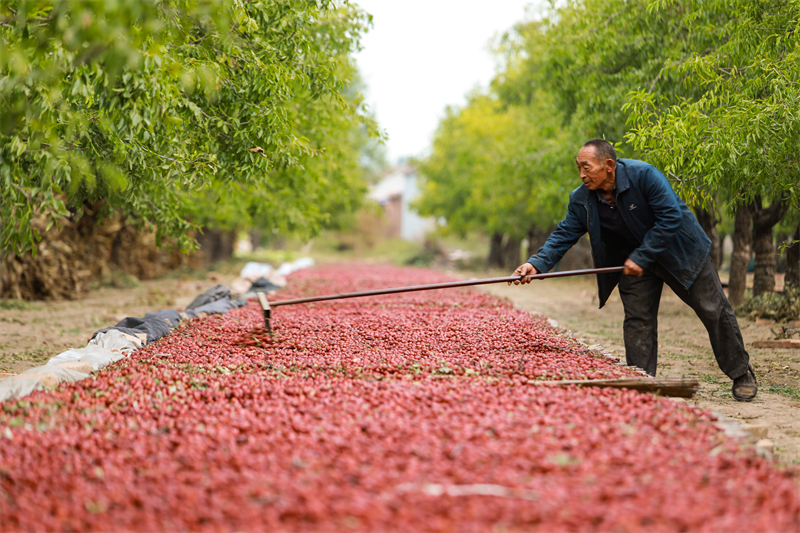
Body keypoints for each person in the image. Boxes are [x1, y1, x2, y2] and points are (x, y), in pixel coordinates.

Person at [511, 139, 758, 401]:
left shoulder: (644, 175)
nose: (582, 174)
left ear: (608, 165)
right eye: (578, 168)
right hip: (635, 264)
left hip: (681, 252)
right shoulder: (581, 199)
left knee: (713, 310)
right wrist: (535, 263)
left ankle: (742, 373)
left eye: (586, 167)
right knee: (637, 321)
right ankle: (642, 381)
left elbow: (671, 216)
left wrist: (642, 255)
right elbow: (563, 235)